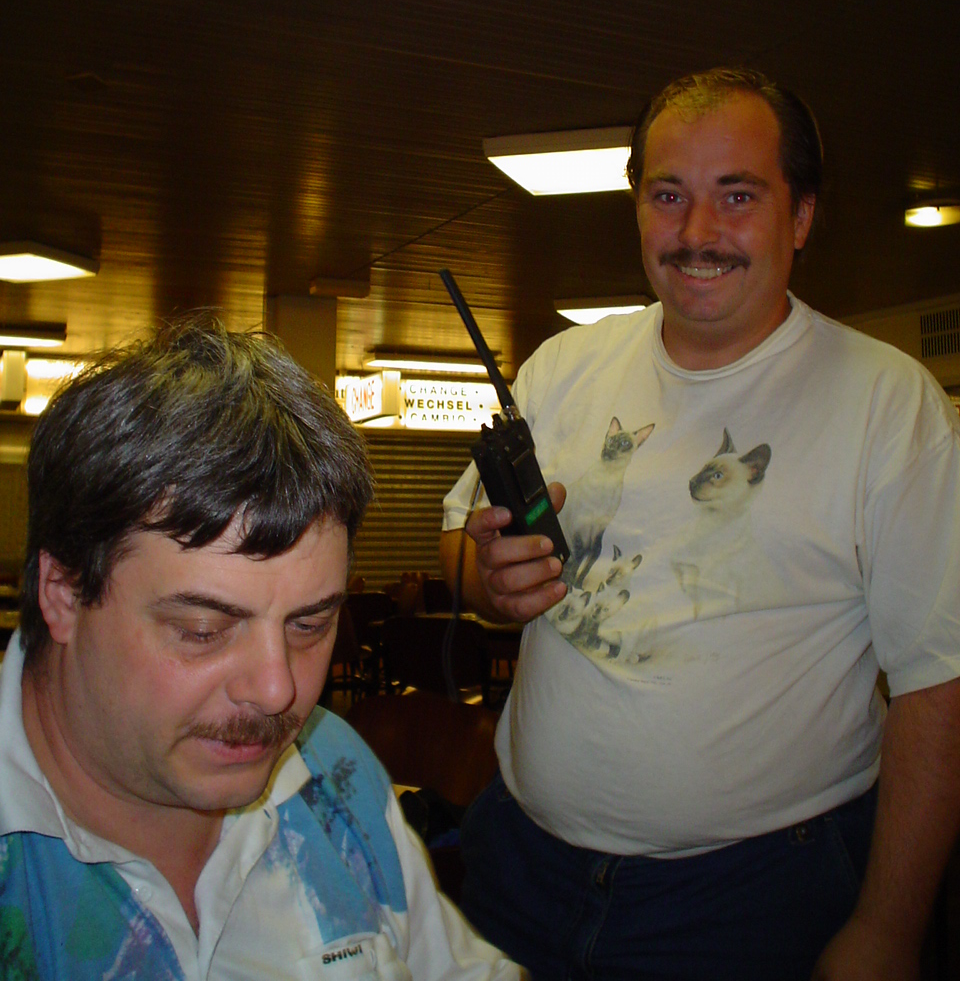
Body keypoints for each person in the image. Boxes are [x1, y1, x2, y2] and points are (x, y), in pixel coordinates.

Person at [440, 67, 960, 981]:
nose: (696, 232)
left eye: (738, 195)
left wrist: (887, 929)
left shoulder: (890, 404)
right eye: (669, 194)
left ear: (800, 217)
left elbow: (939, 683)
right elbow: (456, 545)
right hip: (517, 861)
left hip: (755, 897)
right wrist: (489, 578)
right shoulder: (563, 367)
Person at [1, 319, 524, 981]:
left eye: (309, 624)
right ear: (62, 593)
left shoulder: (332, 769)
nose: (279, 691)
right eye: (203, 630)